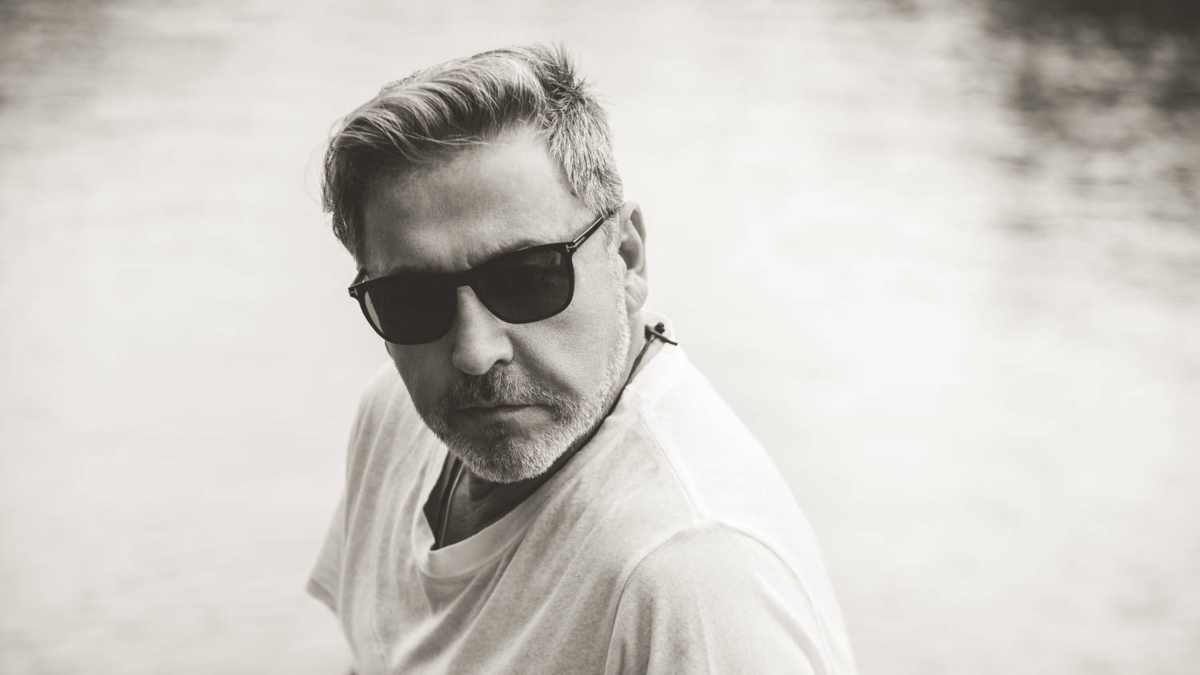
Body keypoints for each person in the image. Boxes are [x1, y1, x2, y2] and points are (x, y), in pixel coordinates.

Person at [307, 44, 857, 674]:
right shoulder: (395, 416)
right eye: (410, 300)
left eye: (526, 278)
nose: (475, 353)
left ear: (626, 257)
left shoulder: (692, 576)